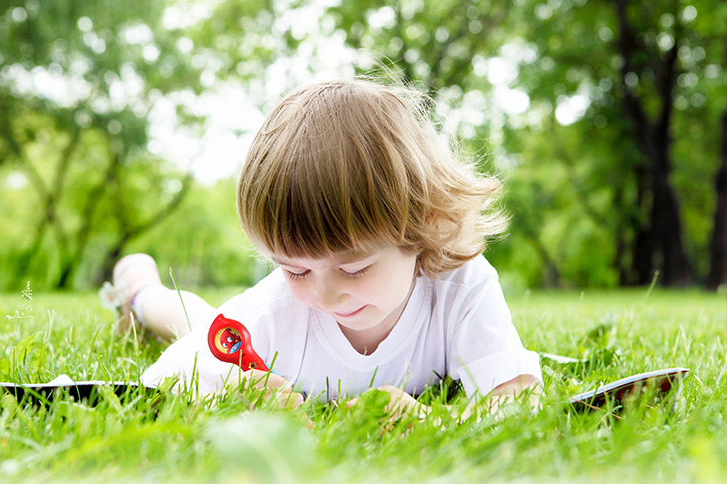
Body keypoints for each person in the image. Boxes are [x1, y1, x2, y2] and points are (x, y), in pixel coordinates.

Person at [107, 78, 542, 419]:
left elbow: (516, 399)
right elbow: (159, 382)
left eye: (353, 269)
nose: (324, 295)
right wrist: (235, 392)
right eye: (294, 270)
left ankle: (140, 291)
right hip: (241, 331)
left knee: (200, 317)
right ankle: (140, 294)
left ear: (423, 221)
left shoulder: (461, 284)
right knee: (195, 322)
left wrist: (435, 421)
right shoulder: (272, 311)